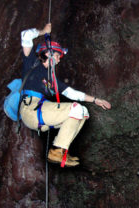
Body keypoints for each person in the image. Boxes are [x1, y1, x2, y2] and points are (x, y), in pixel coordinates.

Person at [20, 23, 111, 167]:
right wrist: (43, 31)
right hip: (30, 109)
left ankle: (61, 150)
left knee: (83, 112)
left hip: (39, 115)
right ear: (48, 53)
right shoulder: (32, 62)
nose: (59, 59)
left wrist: (96, 100)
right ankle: (57, 150)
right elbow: (25, 35)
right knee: (76, 109)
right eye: (57, 55)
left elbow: (73, 94)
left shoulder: (52, 79)